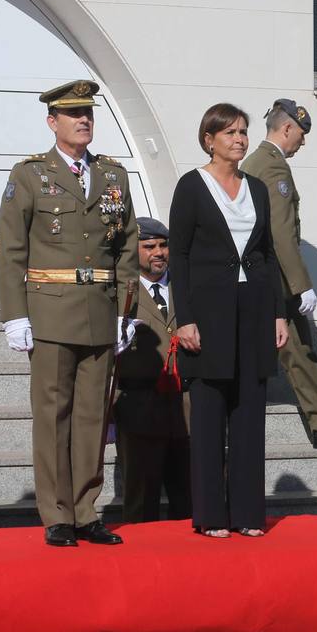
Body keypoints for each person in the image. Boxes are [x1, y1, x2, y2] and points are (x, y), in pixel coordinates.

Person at [0, 79, 138, 548]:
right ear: (52, 121)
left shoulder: (113, 177)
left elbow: (126, 246)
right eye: (74, 114)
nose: (84, 120)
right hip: (51, 311)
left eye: (89, 114)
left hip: (99, 310)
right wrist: (15, 313)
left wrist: (126, 309)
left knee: (93, 416)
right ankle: (56, 512)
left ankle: (85, 509)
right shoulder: (30, 175)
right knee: (53, 415)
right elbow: (11, 248)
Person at [168, 103, 288, 538]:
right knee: (209, 412)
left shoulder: (256, 188)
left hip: (254, 309)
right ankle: (212, 516)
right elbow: (177, 257)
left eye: (243, 132)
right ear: (209, 140)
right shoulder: (191, 186)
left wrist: (278, 311)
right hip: (208, 314)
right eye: (230, 133)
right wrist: (184, 319)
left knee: (249, 412)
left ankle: (248, 515)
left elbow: (267, 253)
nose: (239, 139)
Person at [240, 98, 317, 448]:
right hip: (274, 279)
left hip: (265, 276)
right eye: (301, 134)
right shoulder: (273, 167)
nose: (302, 142)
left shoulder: (255, 162)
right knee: (295, 348)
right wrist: (301, 286)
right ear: (286, 128)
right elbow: (281, 233)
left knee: (300, 349)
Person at [113, 216, 192, 523]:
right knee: (141, 495)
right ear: (134, 251)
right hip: (139, 401)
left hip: (185, 403)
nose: (159, 252)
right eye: (149, 246)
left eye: (163, 245)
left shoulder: (185, 283)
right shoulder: (121, 291)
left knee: (190, 492)